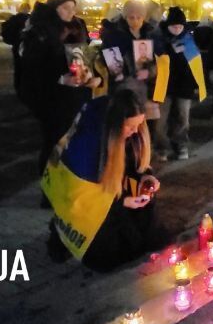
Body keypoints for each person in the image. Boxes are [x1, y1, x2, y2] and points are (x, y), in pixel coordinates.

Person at [44, 90, 166, 271]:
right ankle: (62, 240)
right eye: (130, 126)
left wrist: (146, 176)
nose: (134, 132)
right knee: (107, 259)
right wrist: (123, 202)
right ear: (115, 126)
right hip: (85, 200)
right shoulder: (89, 148)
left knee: (142, 237)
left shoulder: (129, 133)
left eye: (139, 125)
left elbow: (133, 163)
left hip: (110, 194)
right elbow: (84, 196)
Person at [19, 0, 98, 178]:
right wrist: (61, 79)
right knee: (54, 142)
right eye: (65, 8)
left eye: (73, 8)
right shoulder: (40, 30)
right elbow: (33, 66)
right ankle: (49, 186)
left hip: (77, 95)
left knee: (74, 141)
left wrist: (91, 77)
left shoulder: (77, 26)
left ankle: (68, 182)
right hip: (51, 97)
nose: (71, 12)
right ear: (54, 8)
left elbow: (83, 57)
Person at [153, 6, 206, 159]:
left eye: (179, 25)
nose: (176, 28)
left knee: (183, 119)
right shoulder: (160, 41)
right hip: (164, 86)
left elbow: (196, 65)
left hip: (184, 87)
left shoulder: (189, 42)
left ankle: (180, 146)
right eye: (173, 25)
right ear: (168, 25)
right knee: (161, 121)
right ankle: (161, 148)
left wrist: (197, 85)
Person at [100, 0, 157, 115]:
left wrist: (149, 71)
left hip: (144, 87)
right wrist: (121, 75)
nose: (135, 21)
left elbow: (156, 60)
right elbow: (107, 58)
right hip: (121, 88)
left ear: (144, 17)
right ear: (125, 18)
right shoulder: (114, 35)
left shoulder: (148, 34)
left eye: (139, 17)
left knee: (142, 121)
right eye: (131, 17)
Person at [1, 2, 31, 97]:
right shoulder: (31, 19)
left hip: (17, 46)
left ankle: (18, 88)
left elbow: (7, 32)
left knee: (18, 68)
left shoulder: (13, 19)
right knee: (28, 69)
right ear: (28, 9)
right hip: (29, 48)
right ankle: (26, 89)